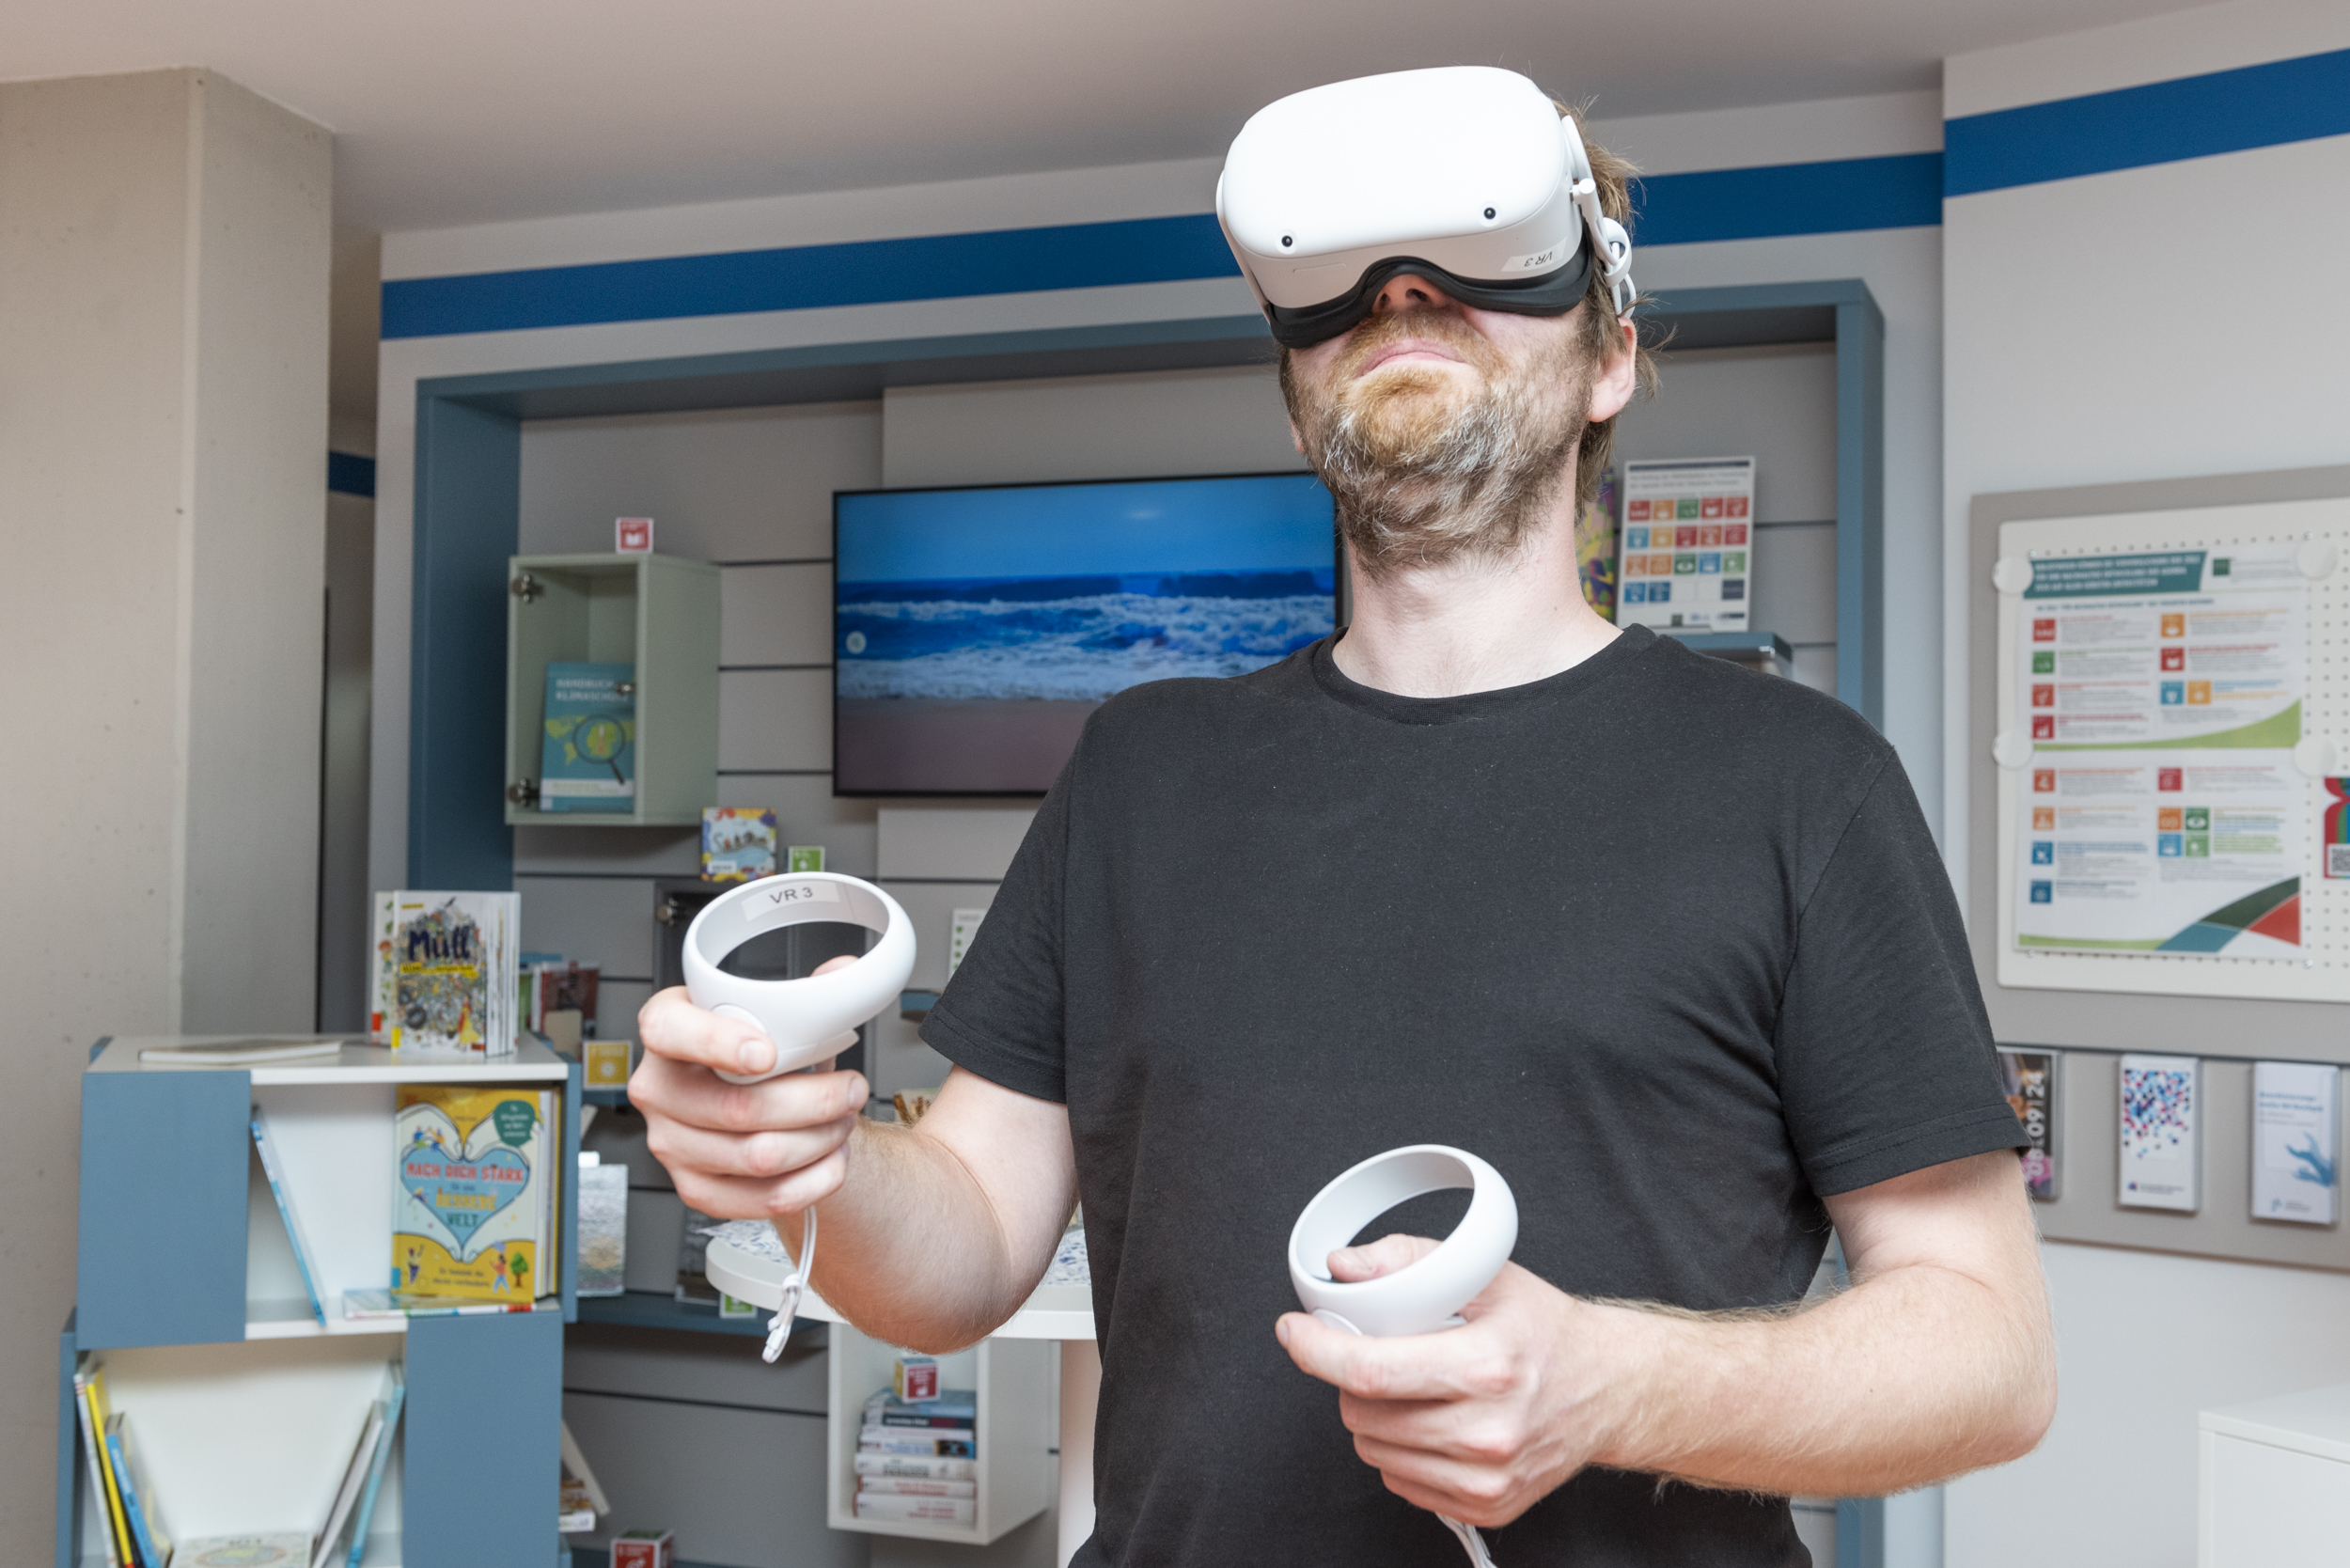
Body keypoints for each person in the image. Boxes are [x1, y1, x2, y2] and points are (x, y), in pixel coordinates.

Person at [633, 74, 2055, 1567]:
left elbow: (1992, 1353)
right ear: (1296, 386)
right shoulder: (1140, 770)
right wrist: (810, 1161)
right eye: (1349, 284)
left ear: (1610, 356)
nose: (1405, 294)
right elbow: (969, 1248)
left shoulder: (1800, 782)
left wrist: (1608, 1385)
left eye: (1478, 261)